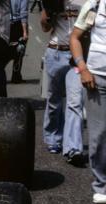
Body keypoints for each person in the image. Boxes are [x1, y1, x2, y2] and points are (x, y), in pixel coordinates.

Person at [40, 0, 86, 161]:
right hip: (56, 53)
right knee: (54, 100)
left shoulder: (86, 2)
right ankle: (53, 137)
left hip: (77, 56)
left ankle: (73, 148)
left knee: (75, 101)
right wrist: (49, 13)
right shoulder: (54, 1)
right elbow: (44, 28)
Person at [70, 0, 106, 203]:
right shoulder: (94, 6)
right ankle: (101, 185)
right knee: (99, 134)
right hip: (97, 79)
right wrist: (83, 69)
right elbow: (75, 37)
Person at [10, 0, 29, 83]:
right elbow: (23, 14)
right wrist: (25, 31)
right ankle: (16, 76)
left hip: (5, 24)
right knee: (19, 51)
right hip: (18, 25)